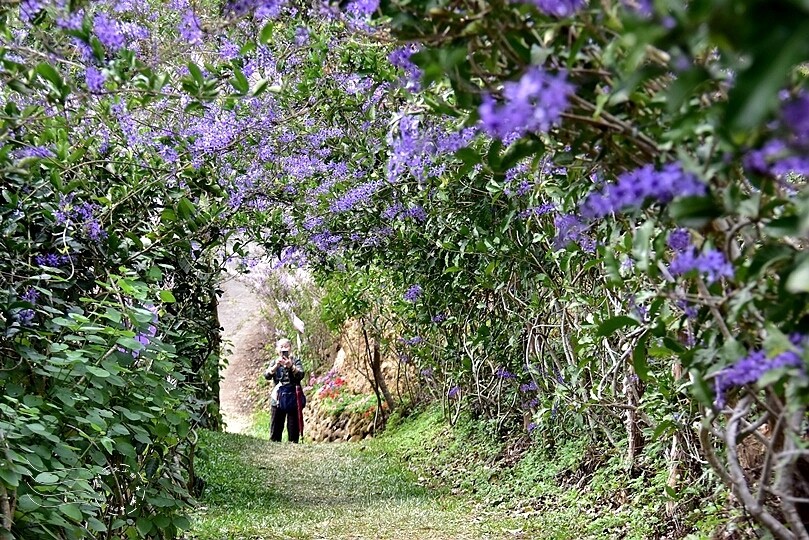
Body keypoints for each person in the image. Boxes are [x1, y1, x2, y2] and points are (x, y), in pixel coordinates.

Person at [264, 338, 306, 442]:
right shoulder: (274, 362)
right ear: (277, 350)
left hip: (293, 396)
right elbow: (267, 376)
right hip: (278, 397)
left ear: (290, 348)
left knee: (293, 429)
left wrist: (291, 366)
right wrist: (276, 366)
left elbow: (300, 375)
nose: (284, 349)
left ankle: (293, 447)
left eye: (286, 346)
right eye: (281, 347)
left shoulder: (295, 360)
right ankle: (274, 446)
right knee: (276, 427)